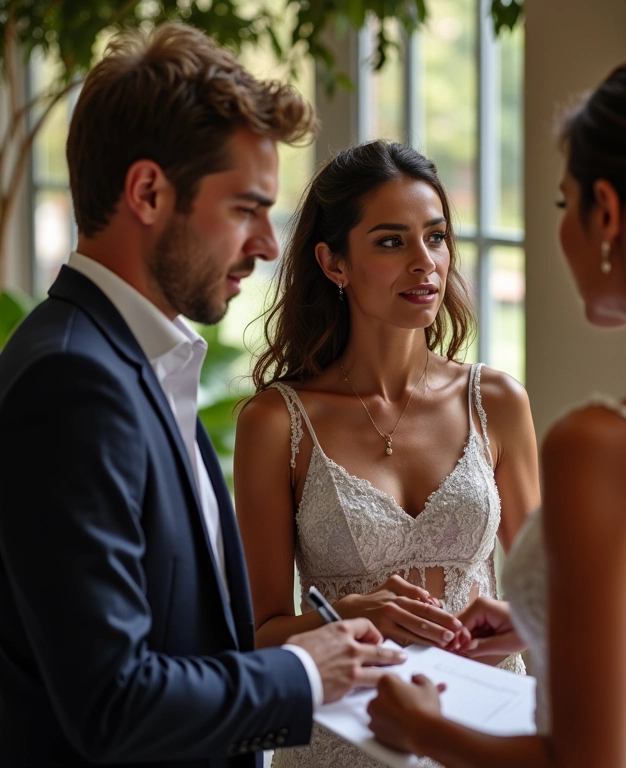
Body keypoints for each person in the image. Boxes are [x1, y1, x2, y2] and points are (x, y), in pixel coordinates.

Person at [0, 24, 407, 768]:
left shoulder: (137, 362)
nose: (266, 245)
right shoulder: (72, 384)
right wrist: (307, 672)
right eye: (246, 209)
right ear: (149, 191)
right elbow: (112, 700)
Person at [366, 49, 626, 768]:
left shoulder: (606, 447)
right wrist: (541, 620)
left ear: (606, 211)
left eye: (563, 202)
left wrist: (423, 730)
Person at [233, 139, 540, 767]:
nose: (425, 263)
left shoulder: (498, 401)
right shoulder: (276, 423)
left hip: (488, 736)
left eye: (436, 236)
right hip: (343, 745)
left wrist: (511, 625)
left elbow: (554, 595)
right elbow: (257, 639)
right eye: (391, 241)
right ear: (334, 262)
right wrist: (339, 617)